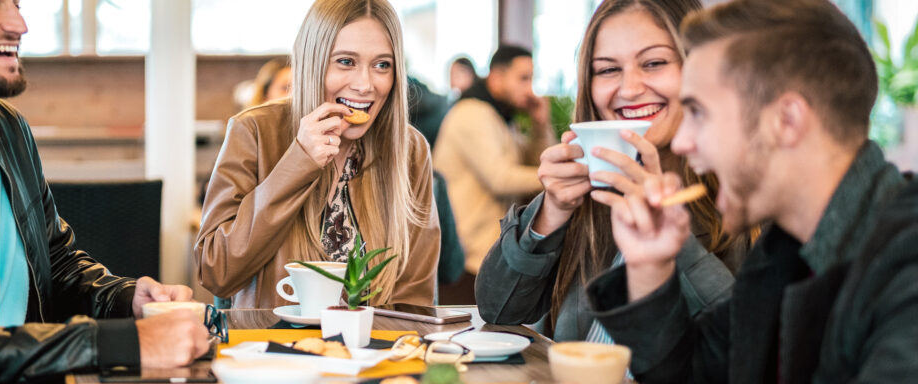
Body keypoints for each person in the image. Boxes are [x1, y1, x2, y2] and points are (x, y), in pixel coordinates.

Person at [585, 0, 918, 382]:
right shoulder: (782, 252)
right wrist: (650, 267)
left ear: (786, 121)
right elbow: (692, 374)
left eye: (698, 112)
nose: (683, 142)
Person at [0, 0, 210, 380]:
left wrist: (126, 298)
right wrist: (126, 342)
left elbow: (55, 263)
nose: (19, 24)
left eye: (17, 5)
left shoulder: (9, 127)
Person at [475, 0, 744, 345]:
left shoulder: (744, 197)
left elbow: (747, 348)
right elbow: (498, 310)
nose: (629, 89)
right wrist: (550, 213)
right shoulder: (587, 196)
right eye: (607, 70)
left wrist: (674, 242)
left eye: (654, 63)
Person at [197, 0, 440, 309]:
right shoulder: (255, 131)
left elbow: (415, 299)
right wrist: (298, 163)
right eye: (346, 62)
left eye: (382, 65)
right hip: (273, 348)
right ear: (313, 61)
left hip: (373, 351)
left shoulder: (409, 149)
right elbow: (216, 272)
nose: (365, 85)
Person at [433, 45, 554, 302]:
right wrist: (558, 177)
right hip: (465, 263)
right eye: (523, 78)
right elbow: (501, 178)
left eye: (532, 79)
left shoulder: (499, 118)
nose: (530, 89)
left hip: (486, 258)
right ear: (497, 78)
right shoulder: (472, 114)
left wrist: (540, 125)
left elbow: (536, 161)